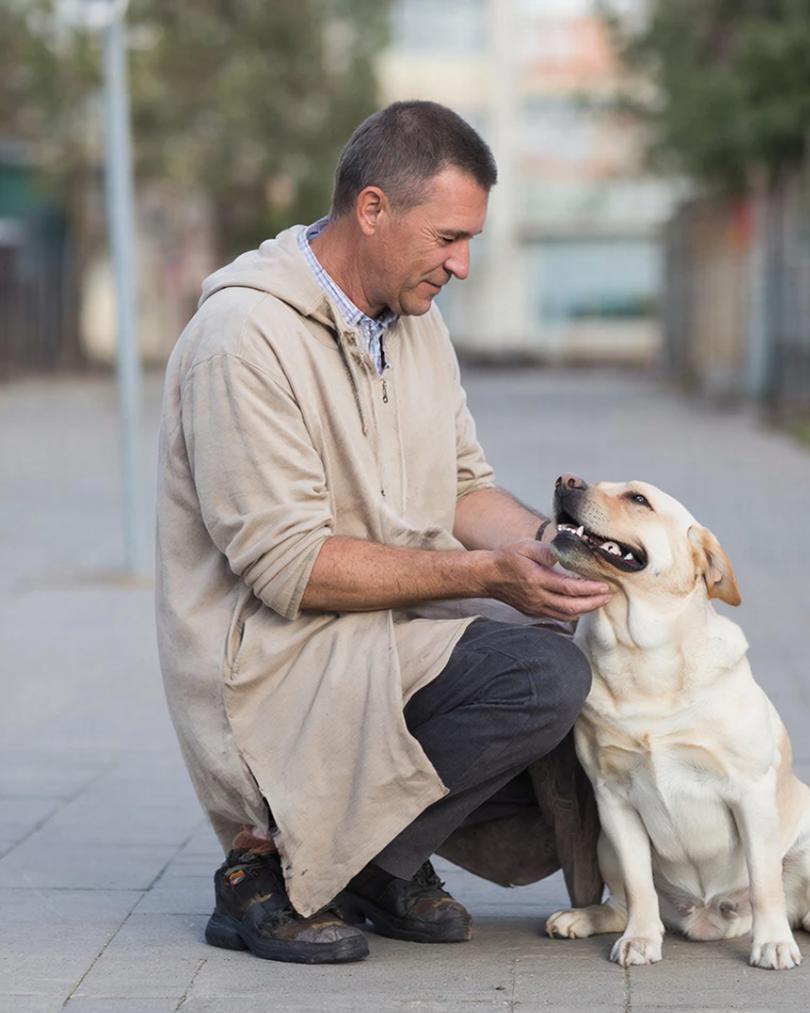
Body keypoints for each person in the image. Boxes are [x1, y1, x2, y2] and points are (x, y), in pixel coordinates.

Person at [155, 100, 611, 965]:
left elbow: (466, 488)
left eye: (469, 240)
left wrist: (561, 555)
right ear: (372, 209)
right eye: (447, 237)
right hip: (277, 664)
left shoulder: (416, 325)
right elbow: (292, 569)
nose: (463, 265)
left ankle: (372, 864)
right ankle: (271, 870)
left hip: (386, 635)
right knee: (540, 677)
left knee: (575, 633)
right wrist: (489, 575)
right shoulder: (242, 338)